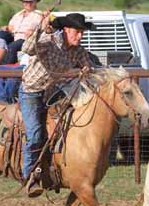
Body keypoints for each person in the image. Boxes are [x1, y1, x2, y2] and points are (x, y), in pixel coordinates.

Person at [20, 13, 95, 195]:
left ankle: (57, 168)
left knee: (66, 126)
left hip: (53, 93)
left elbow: (89, 68)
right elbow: (27, 48)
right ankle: (28, 174)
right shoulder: (49, 40)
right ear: (66, 30)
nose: (80, 36)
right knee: (35, 133)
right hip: (31, 91)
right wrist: (41, 27)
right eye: (77, 32)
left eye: (82, 32)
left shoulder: (78, 51)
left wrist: (86, 70)